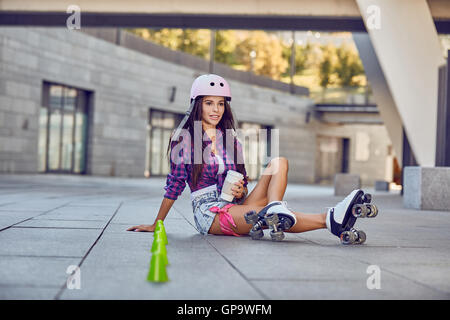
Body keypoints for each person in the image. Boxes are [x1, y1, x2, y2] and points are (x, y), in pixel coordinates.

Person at [127, 74, 372, 243]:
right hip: (210, 214)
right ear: (196, 106)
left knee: (280, 163)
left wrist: (241, 188)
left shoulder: (230, 139)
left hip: (236, 205)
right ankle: (329, 219)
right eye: (209, 103)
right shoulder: (185, 139)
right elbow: (174, 185)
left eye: (220, 104)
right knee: (266, 213)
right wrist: (156, 224)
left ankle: (276, 207)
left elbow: (243, 180)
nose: (215, 109)